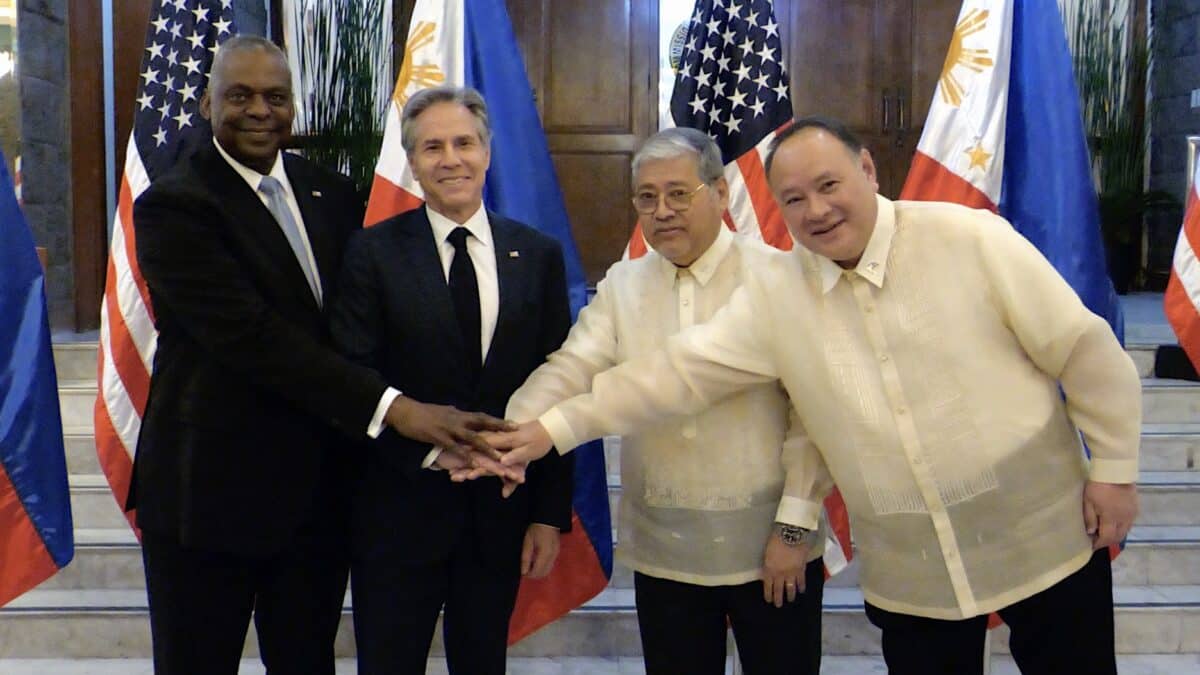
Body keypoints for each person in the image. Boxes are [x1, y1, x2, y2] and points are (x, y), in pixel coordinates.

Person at [490, 116, 1142, 675]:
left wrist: (1113, 467)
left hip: (1042, 535)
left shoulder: (968, 237)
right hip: (912, 573)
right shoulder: (777, 297)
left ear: (867, 168)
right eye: (794, 199)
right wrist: (550, 428)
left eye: (829, 185)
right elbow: (675, 375)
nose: (818, 210)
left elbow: (1083, 349)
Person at [131, 37, 509, 675]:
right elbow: (254, 339)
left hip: (316, 496)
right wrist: (396, 409)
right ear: (206, 102)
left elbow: (358, 329)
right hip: (209, 496)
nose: (260, 111)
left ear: (294, 107)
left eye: (276, 97)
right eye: (240, 96)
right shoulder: (175, 204)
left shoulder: (329, 192)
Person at [502, 127, 828, 674]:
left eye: (679, 193)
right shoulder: (622, 285)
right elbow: (572, 367)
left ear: (720, 193)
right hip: (665, 554)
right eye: (647, 198)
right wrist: (509, 435)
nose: (662, 211)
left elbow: (812, 420)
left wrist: (793, 530)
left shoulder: (778, 276)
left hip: (772, 548)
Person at [328, 85, 575, 675]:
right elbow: (351, 377)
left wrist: (549, 513)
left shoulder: (537, 255)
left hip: (501, 512)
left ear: (488, 152)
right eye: (432, 147)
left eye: (464, 143)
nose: (451, 159)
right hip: (397, 512)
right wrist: (430, 454)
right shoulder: (371, 253)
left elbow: (563, 381)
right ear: (412, 163)